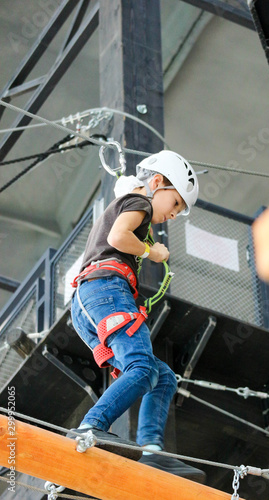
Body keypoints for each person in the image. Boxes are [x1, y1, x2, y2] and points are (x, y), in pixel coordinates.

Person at [68, 150, 206, 483]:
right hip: (105, 291)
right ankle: (92, 426)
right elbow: (117, 238)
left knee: (163, 377)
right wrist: (150, 251)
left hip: (93, 301)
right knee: (142, 368)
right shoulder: (140, 204)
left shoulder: (132, 203)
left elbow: (117, 228)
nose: (173, 215)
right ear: (157, 182)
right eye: (174, 204)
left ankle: (152, 451)